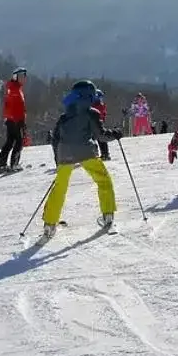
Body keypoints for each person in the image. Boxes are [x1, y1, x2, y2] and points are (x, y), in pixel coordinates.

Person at [42, 80, 121, 239]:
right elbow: (101, 136)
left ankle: (49, 225)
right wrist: (116, 134)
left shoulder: (64, 116)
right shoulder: (92, 113)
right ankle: (108, 216)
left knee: (60, 187)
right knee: (103, 180)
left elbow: (55, 139)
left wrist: (59, 160)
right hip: (86, 152)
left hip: (65, 153)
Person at [0, 67, 28, 173]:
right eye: (21, 76)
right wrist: (19, 120)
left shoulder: (14, 88)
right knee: (18, 142)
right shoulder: (14, 90)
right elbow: (12, 107)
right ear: (15, 77)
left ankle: (2, 165)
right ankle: (14, 164)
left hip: (12, 119)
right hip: (16, 120)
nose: (24, 78)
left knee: (10, 142)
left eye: (24, 76)